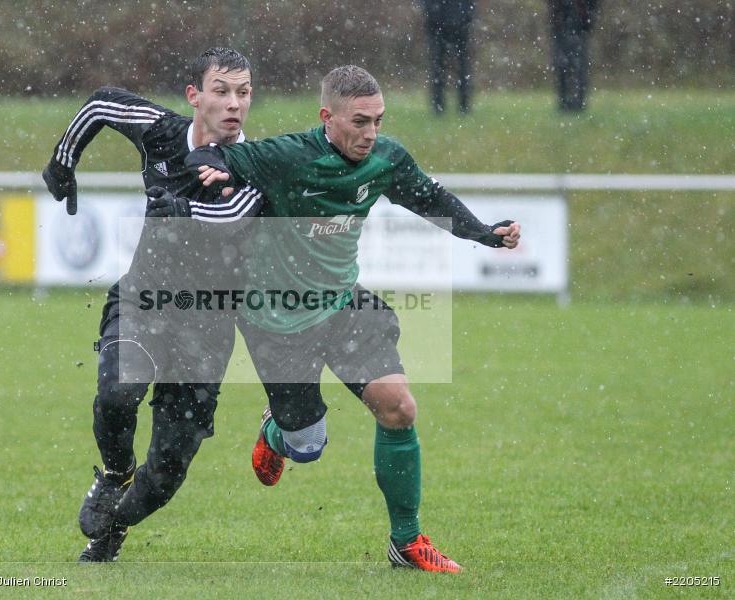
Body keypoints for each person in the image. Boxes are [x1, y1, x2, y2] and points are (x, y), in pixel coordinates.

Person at [113, 65, 520, 572]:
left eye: (378, 120)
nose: (370, 133)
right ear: (328, 117)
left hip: (344, 306)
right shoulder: (288, 156)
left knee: (398, 407)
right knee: (307, 446)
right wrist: (208, 170)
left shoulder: (386, 158)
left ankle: (406, 540)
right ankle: (277, 433)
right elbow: (211, 153)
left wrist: (484, 233)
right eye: (359, 122)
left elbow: (430, 198)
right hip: (276, 323)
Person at [42, 48, 262, 562]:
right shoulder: (162, 132)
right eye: (222, 91)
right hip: (143, 300)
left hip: (207, 326)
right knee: (117, 394)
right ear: (195, 96)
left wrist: (184, 210)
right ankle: (116, 474)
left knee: (165, 472)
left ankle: (114, 526)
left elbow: (235, 211)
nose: (234, 103)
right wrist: (63, 161)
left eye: (244, 92)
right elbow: (101, 103)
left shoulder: (255, 166)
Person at [420, 0, 476, 114]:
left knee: (441, 66)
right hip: (446, 23)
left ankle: (444, 105)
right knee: (455, 66)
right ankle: (453, 105)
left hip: (446, 23)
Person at [549, 0, 600, 112]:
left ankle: (577, 102)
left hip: (578, 25)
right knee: (563, 66)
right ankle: (565, 101)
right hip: (564, 24)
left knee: (578, 66)